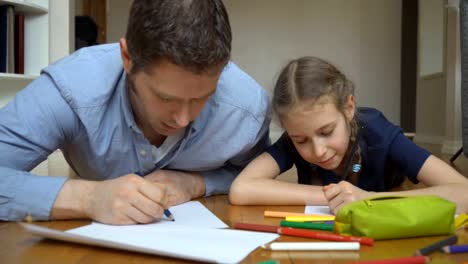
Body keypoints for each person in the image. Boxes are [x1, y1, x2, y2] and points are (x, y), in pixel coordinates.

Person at [0, 0, 270, 224]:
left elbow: (257, 176)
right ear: (127, 58)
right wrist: (88, 198)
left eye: (203, 98)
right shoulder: (70, 90)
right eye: (165, 97)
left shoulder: (246, 111)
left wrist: (198, 183)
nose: (183, 119)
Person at [229, 56, 468, 214]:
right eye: (301, 140)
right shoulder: (296, 132)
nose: (318, 150)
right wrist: (334, 197)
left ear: (349, 108)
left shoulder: (380, 134)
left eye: (327, 131)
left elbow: (463, 192)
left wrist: (370, 199)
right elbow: (241, 189)